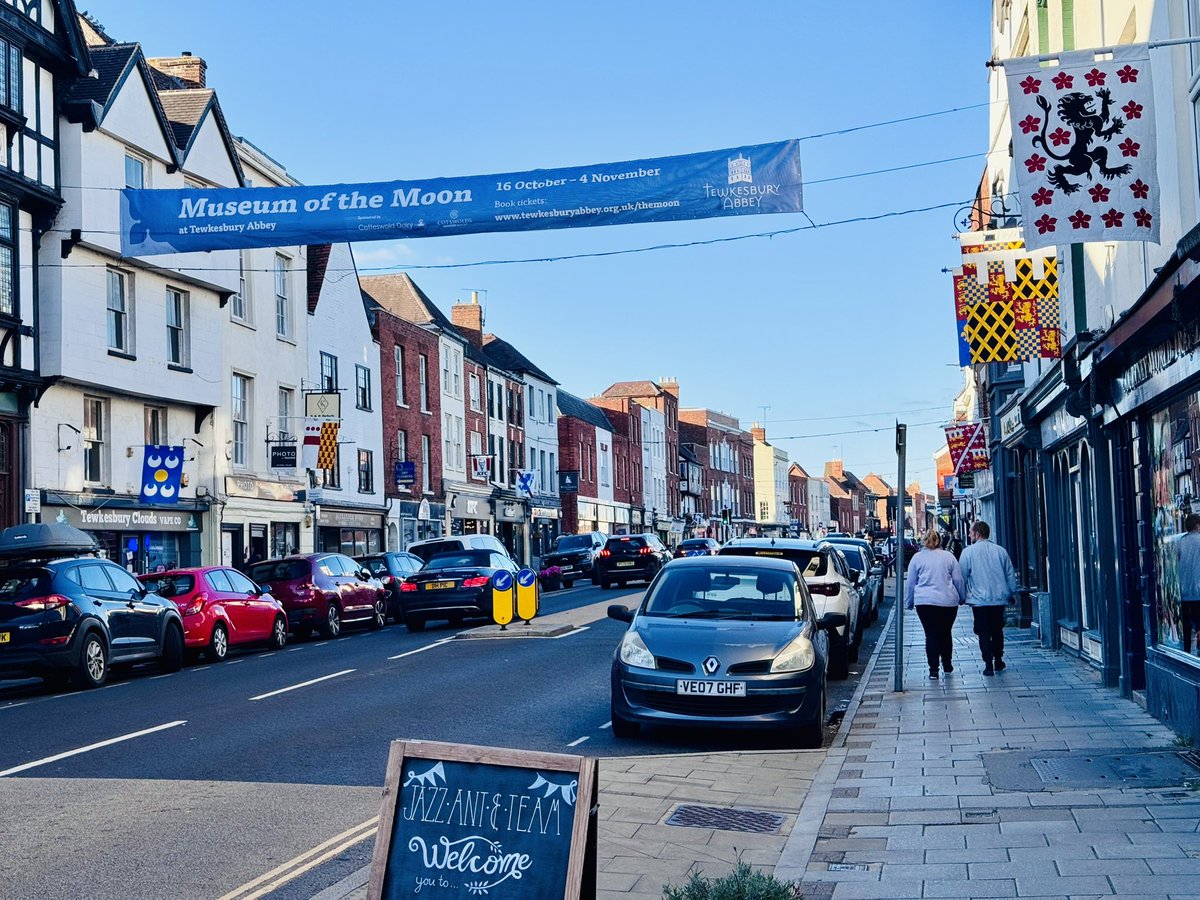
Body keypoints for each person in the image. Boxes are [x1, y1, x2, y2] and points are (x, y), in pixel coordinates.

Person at [904, 527, 965, 680]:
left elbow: (910, 583)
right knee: (945, 633)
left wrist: (909, 602)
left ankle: (933, 670)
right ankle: (947, 664)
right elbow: (958, 580)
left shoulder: (917, 558)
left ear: (924, 541)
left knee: (930, 634)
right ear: (939, 541)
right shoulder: (949, 557)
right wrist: (962, 597)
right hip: (947, 601)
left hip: (925, 602)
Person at [958, 520, 1018, 676]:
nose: (969, 534)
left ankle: (987, 664)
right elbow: (1009, 574)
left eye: (971, 532)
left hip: (979, 601)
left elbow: (961, 576)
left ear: (977, 534)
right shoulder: (1000, 551)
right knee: (997, 630)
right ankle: (998, 659)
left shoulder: (968, 553)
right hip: (999, 598)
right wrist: (1012, 592)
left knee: (983, 631)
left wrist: (961, 596)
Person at [1177, 513, 1200, 655]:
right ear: (1197, 526)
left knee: (1185, 628)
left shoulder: (1179, 542)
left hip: (1183, 593)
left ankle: (1186, 652)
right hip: (1198, 593)